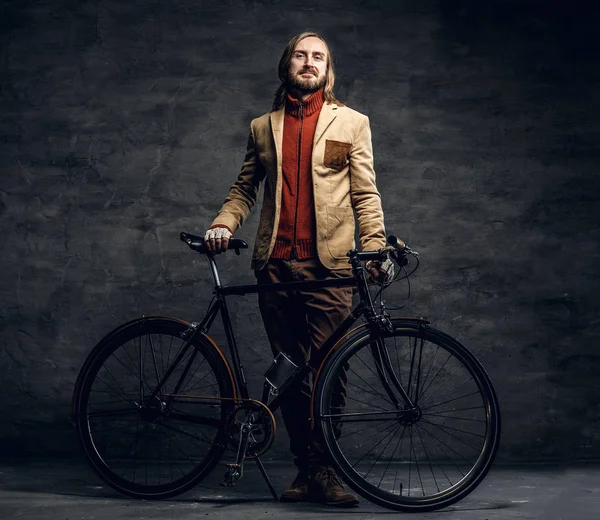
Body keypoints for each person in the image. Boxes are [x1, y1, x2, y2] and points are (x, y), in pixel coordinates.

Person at [204, 31, 393, 507]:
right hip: (275, 265)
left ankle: (325, 469)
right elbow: (244, 190)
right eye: (300, 55)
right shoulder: (262, 126)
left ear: (328, 72)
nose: (309, 63)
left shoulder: (352, 123)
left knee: (330, 369)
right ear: (286, 64)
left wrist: (373, 246)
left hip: (329, 266)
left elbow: (365, 194)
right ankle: (307, 471)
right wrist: (222, 224)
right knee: (288, 372)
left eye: (318, 57)